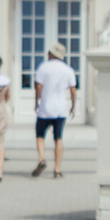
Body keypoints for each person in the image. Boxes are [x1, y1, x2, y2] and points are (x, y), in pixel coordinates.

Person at [31, 42, 77, 178]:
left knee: (40, 135)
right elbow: (73, 89)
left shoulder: (43, 67)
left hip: (45, 107)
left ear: (51, 54)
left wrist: (36, 101)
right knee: (58, 137)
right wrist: (73, 105)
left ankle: (41, 159)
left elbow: (38, 86)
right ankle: (57, 169)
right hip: (60, 108)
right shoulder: (68, 69)